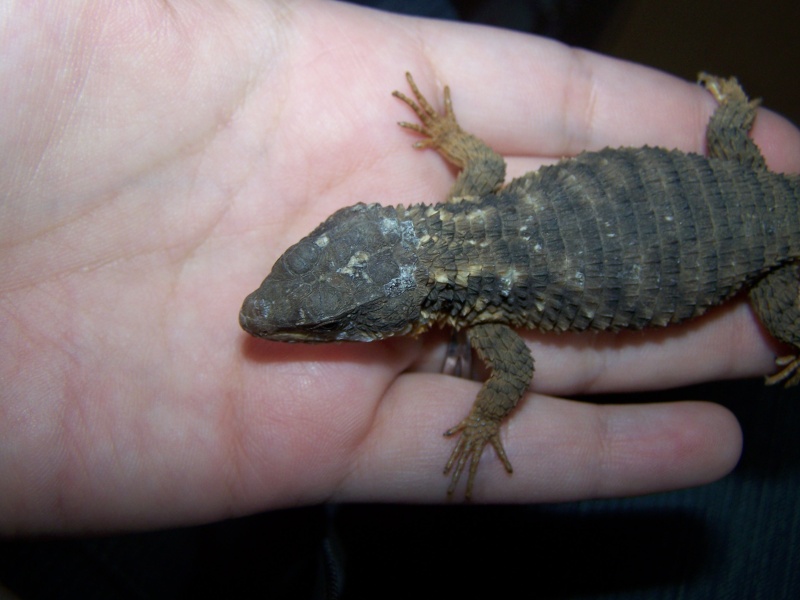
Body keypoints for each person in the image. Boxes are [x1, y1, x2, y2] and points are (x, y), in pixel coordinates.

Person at [2, 0, 799, 534]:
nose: (266, 318)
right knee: (735, 156)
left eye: (331, 326)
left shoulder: (487, 312)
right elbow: (480, 162)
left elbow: (513, 376)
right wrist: (449, 132)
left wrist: (486, 417)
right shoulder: (478, 198)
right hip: (740, 179)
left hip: (763, 252)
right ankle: (735, 118)